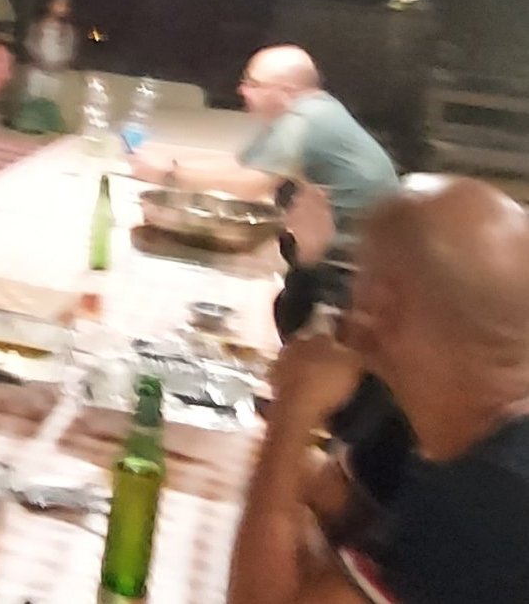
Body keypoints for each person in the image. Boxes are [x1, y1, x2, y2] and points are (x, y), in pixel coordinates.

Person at [228, 176, 529, 603]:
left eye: (359, 272)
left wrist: (292, 417)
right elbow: (334, 502)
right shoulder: (436, 410)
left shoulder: (492, 500)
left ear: (379, 307)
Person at [128, 45, 398, 233]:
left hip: (354, 250)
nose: (241, 90)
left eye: (253, 84)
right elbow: (241, 164)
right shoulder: (312, 109)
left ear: (285, 92)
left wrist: (168, 176)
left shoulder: (304, 120)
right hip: (359, 236)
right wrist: (171, 162)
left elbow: (253, 184)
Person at [23, 0, 76, 100]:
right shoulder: (37, 26)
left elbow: (69, 51)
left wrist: (59, 65)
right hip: (37, 71)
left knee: (49, 102)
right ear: (50, 5)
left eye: (64, 5)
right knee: (32, 100)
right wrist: (38, 60)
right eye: (58, 3)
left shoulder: (68, 30)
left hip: (55, 73)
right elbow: (29, 44)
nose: (61, 8)